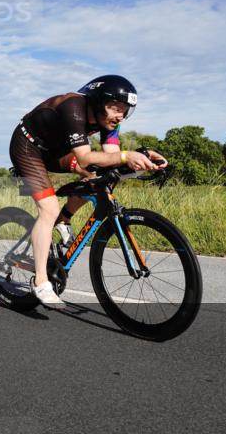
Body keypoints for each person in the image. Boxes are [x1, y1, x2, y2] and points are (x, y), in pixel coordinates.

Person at [9, 75, 167, 309]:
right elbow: (84, 156)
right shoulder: (73, 108)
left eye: (125, 110)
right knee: (48, 209)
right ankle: (41, 281)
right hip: (28, 147)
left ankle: (64, 220)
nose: (120, 115)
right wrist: (126, 156)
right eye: (116, 108)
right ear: (98, 102)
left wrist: (143, 155)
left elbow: (111, 157)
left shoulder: (111, 122)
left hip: (57, 150)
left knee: (99, 177)